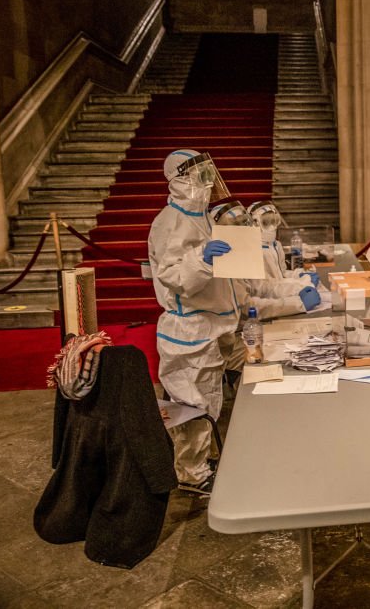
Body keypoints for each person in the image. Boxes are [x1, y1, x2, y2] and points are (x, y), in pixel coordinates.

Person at [148, 149, 240, 495]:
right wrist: (201, 259)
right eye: (199, 174)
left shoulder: (201, 216)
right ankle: (191, 474)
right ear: (179, 180)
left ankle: (205, 461)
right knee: (191, 408)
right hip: (187, 328)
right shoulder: (169, 222)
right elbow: (173, 277)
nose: (207, 181)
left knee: (208, 399)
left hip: (209, 324)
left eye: (208, 172)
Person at [243, 200, 322, 321]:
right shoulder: (253, 251)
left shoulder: (275, 245)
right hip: (271, 305)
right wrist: (301, 285)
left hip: (281, 298)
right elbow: (263, 289)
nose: (272, 227)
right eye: (266, 222)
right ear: (255, 223)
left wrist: (298, 274)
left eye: (275, 222)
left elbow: (281, 274)